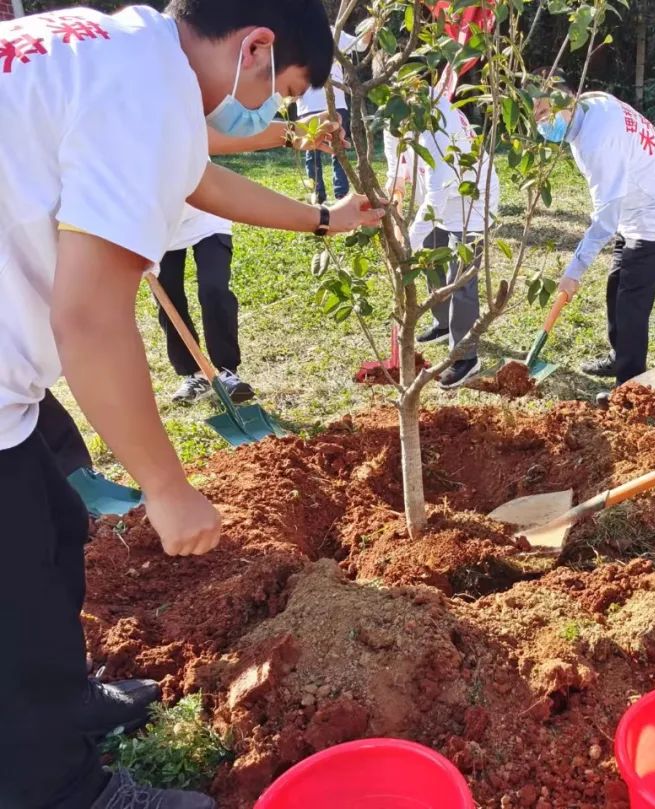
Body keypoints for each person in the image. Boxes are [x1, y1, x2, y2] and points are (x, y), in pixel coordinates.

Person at [0, 1, 382, 806]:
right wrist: (167, 487)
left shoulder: (122, 49)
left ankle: (66, 694)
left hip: (10, 379)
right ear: (256, 46)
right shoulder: (144, 91)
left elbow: (197, 178)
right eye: (281, 90)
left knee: (56, 526)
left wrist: (324, 220)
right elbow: (90, 318)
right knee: (15, 599)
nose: (270, 111)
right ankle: (63, 789)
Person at [532, 72, 655, 387]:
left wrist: (574, 271)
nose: (540, 123)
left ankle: (630, 385)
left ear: (566, 101)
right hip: (634, 212)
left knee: (631, 301)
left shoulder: (596, 138)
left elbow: (605, 218)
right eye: (534, 116)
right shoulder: (591, 105)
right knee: (616, 286)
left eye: (543, 113)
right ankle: (620, 357)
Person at [384, 86, 501, 388]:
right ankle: (443, 323)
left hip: (473, 197)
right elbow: (395, 167)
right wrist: (394, 196)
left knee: (460, 278)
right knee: (430, 252)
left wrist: (405, 243)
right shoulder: (394, 112)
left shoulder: (440, 125)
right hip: (435, 196)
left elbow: (439, 194)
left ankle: (465, 356)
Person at [156, 205, 253, 403]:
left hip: (208, 214)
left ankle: (227, 373)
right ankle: (195, 375)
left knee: (214, 288)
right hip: (158, 226)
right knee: (168, 297)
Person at [297, 27, 358, 204]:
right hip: (307, 105)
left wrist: (372, 26)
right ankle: (317, 196)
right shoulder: (292, 31)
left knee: (338, 148)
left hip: (336, 104)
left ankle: (341, 195)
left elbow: (359, 45)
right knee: (312, 152)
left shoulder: (333, 30)